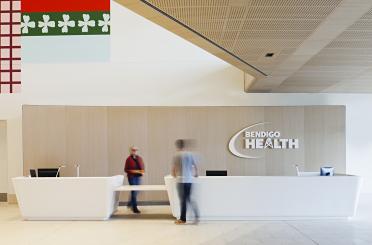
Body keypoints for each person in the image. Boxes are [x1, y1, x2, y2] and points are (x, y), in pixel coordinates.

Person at [171, 139, 199, 224]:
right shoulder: (190, 154)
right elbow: (195, 165)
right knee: (189, 198)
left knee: (183, 200)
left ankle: (183, 219)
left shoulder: (176, 155)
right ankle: (196, 216)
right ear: (184, 145)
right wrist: (196, 173)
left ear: (177, 146)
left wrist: (174, 174)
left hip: (181, 180)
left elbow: (174, 168)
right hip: (189, 180)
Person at [124, 146, 145, 213]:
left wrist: (142, 171)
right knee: (133, 191)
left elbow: (142, 167)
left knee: (136, 191)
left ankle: (130, 203)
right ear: (131, 151)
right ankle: (134, 208)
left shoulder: (139, 158)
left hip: (138, 177)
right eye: (133, 150)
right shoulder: (128, 159)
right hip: (132, 177)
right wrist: (134, 171)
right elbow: (126, 169)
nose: (134, 151)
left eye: (136, 150)